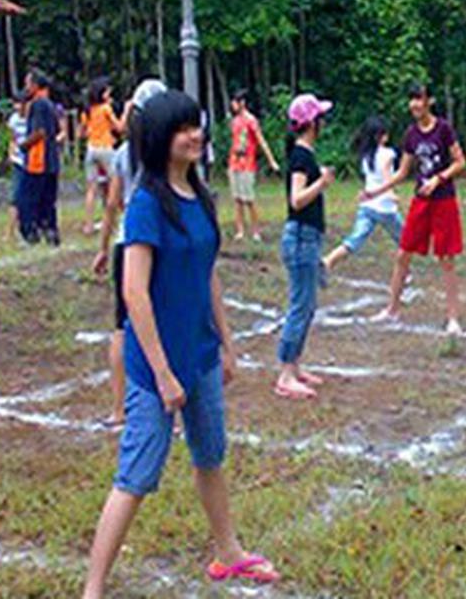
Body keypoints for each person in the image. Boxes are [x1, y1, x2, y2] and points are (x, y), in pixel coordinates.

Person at [82, 90, 278, 597]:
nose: (195, 135)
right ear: (161, 139)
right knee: (137, 474)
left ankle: (228, 552)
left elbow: (207, 276)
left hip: (201, 356)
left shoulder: (200, 195)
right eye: (183, 128)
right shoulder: (147, 203)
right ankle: (93, 588)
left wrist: (227, 345)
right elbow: (133, 292)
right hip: (156, 370)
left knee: (210, 454)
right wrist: (163, 373)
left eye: (197, 126)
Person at [92, 78, 167, 427]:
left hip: (127, 242)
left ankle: (119, 410)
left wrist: (103, 248)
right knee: (164, 323)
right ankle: (172, 406)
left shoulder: (123, 154)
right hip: (159, 241)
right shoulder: (167, 151)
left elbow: (112, 204)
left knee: (123, 327)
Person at [364, 83, 466, 335]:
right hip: (421, 201)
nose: (414, 105)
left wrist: (438, 179)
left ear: (429, 101)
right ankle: (392, 310)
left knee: (446, 259)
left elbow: (460, 162)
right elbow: (402, 172)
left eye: (419, 99)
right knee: (403, 255)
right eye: (411, 100)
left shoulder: (443, 129)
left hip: (444, 199)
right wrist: (376, 191)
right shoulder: (411, 134)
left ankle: (453, 318)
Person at [275, 94, 335, 400]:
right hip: (300, 238)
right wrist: (322, 183)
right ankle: (285, 374)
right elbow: (296, 200)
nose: (324, 122)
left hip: (307, 238)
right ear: (311, 123)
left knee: (308, 306)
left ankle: (295, 366)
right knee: (300, 306)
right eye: (320, 117)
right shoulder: (301, 157)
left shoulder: (305, 154)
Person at [321, 116, 403, 274]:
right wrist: (391, 193)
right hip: (385, 208)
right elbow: (387, 177)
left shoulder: (367, 156)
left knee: (355, 239)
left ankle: (329, 260)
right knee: (406, 241)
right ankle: (403, 274)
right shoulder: (387, 154)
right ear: (379, 136)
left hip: (367, 206)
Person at [226, 89, 280, 242]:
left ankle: (256, 231)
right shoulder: (234, 121)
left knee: (249, 199)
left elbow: (261, 141)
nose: (233, 105)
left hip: (247, 164)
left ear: (242, 103)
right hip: (234, 163)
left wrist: (271, 161)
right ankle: (240, 230)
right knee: (237, 199)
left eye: (235, 102)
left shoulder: (251, 120)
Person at [18, 69, 61, 245]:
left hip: (38, 160)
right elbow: (56, 130)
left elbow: (39, 132)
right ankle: (50, 231)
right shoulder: (51, 105)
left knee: (26, 198)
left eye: (28, 83)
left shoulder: (38, 104)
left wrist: (24, 145)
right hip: (52, 160)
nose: (26, 87)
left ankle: (30, 233)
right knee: (48, 200)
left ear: (35, 85)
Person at [81, 77, 123, 234]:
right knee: (115, 185)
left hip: (91, 148)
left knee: (91, 189)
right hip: (105, 148)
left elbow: (82, 132)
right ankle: (117, 222)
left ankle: (89, 225)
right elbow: (119, 127)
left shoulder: (88, 110)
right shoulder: (106, 108)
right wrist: (125, 112)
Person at [4, 92, 29, 241]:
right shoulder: (13, 119)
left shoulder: (33, 118)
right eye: (15, 104)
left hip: (32, 161)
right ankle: (9, 232)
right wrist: (11, 153)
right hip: (19, 161)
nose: (17, 107)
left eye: (20, 103)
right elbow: (12, 139)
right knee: (15, 197)